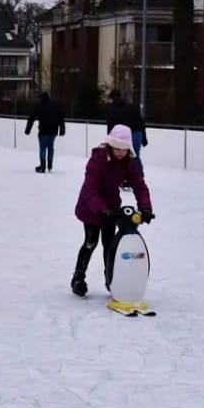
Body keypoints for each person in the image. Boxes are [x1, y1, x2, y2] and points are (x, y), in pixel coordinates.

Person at [71, 124, 154, 297]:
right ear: (109, 145)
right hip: (91, 208)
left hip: (112, 208)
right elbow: (90, 189)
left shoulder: (127, 163)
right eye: (116, 148)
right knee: (90, 242)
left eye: (124, 149)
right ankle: (78, 277)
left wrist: (145, 207)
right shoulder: (97, 159)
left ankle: (111, 279)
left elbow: (139, 185)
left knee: (110, 245)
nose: (120, 153)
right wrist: (100, 209)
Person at [105, 90, 148, 174]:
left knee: (120, 157)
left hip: (123, 136)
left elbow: (110, 126)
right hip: (137, 134)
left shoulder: (112, 109)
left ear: (112, 98)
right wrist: (144, 138)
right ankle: (139, 177)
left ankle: (124, 178)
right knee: (135, 156)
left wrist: (109, 140)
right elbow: (141, 122)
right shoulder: (132, 107)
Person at [24, 91, 66, 172]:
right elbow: (61, 117)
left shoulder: (39, 105)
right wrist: (62, 130)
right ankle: (50, 165)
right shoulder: (55, 105)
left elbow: (31, 118)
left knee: (43, 148)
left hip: (43, 130)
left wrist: (28, 130)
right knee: (50, 147)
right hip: (53, 130)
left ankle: (43, 166)